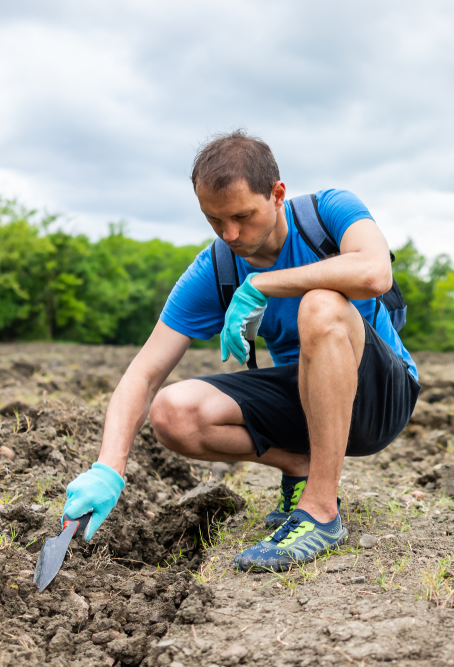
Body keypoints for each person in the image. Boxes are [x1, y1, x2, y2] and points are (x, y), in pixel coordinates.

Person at [61, 131, 420, 571]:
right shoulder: (215, 270)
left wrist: (262, 284)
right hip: (310, 399)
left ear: (277, 194)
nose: (229, 233)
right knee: (173, 410)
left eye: (242, 216)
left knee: (322, 305)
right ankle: (299, 466)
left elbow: (374, 272)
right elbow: (144, 374)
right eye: (214, 220)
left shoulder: (328, 211)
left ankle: (321, 511)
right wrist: (108, 468)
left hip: (382, 396)